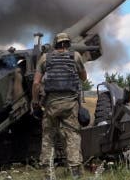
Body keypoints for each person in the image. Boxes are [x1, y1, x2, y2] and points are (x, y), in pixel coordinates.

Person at [32, 32, 87, 179]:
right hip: (70, 104)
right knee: (73, 137)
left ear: (55, 44)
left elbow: (36, 83)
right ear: (68, 43)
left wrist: (35, 102)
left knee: (48, 138)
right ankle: (76, 174)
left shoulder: (45, 58)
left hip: (51, 105)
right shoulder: (75, 56)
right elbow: (84, 77)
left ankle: (49, 175)